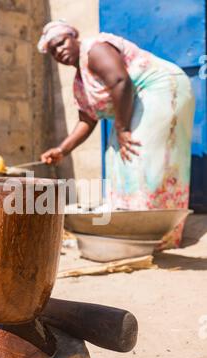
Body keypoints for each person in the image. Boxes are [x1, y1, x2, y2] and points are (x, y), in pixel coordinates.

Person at [38, 20, 195, 248]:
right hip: (135, 100)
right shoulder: (80, 81)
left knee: (140, 153)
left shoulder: (94, 49)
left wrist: (122, 129)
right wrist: (63, 150)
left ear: (74, 37)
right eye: (53, 50)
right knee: (116, 157)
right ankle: (133, 229)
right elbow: (88, 119)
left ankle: (160, 235)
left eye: (61, 43)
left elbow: (120, 81)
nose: (59, 51)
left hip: (162, 89)